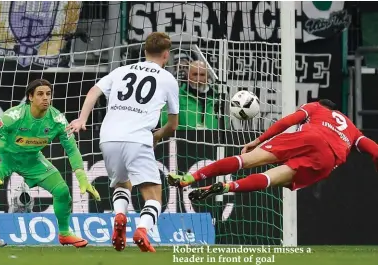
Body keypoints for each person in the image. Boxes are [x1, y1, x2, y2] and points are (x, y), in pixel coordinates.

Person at [66, 32, 179, 252]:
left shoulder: (121, 71)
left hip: (108, 137)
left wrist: (82, 119)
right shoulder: (168, 79)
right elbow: (173, 125)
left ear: (145, 51)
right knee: (154, 196)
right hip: (138, 138)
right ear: (166, 55)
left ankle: (119, 215)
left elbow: (93, 91)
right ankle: (143, 230)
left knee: (121, 183)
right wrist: (157, 135)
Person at [0, 79, 101, 248]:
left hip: (31, 159)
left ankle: (64, 233)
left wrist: (82, 176)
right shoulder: (14, 116)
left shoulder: (58, 119)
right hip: (4, 155)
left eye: (48, 94)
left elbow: (72, 150)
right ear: (30, 97)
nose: (45, 98)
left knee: (62, 191)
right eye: (40, 94)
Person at [168, 99, 378, 201]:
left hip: (310, 137)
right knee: (271, 178)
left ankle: (190, 178)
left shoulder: (316, 107)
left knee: (245, 160)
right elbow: (375, 151)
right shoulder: (352, 129)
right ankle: (228, 186)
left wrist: (258, 139)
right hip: (328, 159)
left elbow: (288, 121)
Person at [160, 60, 220, 130]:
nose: (198, 79)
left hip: (213, 140)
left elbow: (225, 126)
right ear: (188, 75)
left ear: (208, 77)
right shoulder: (175, 96)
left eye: (202, 75)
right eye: (195, 74)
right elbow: (165, 123)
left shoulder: (217, 98)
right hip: (182, 140)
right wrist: (190, 135)